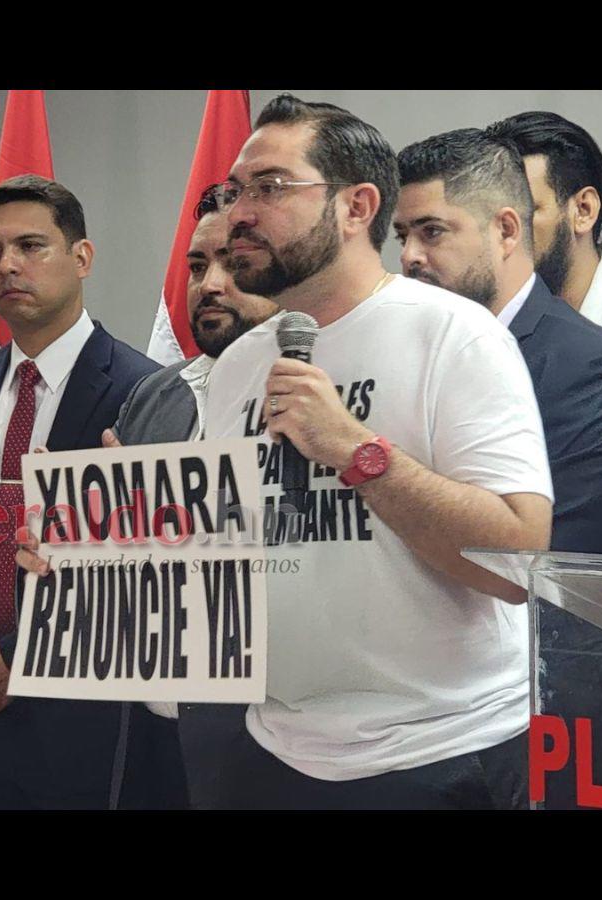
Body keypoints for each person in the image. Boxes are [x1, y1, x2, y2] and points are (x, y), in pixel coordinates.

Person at [195, 94, 555, 809]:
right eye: (237, 191)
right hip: (273, 749)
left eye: (270, 187)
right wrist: (105, 547)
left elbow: (519, 559)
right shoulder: (238, 365)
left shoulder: (455, 335)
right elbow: (223, 550)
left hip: (439, 753)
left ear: (356, 207)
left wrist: (356, 450)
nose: (239, 212)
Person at [0, 174, 160, 809]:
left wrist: (19, 658)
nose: (8, 265)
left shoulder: (146, 391)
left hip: (90, 723)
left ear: (82, 258)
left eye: (30, 246)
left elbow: (146, 570)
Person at [83, 188, 279, 809]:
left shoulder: (314, 392)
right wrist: (78, 529)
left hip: (269, 736)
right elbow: (116, 566)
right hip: (151, 728)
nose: (209, 284)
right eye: (197, 267)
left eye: (233, 264)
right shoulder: (153, 393)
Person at [394, 127, 602, 556]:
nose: (408, 256)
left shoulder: (589, 366)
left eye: (431, 232)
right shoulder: (403, 349)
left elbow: (554, 567)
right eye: (402, 235)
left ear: (507, 230)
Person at [486, 110, 602, 555]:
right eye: (494, 217)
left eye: (523, 213)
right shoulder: (484, 328)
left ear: (583, 210)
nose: (505, 235)